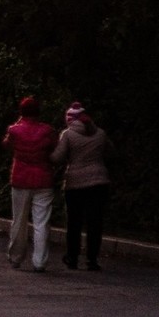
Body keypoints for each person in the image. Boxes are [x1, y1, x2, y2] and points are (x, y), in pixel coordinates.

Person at [52, 102, 111, 270]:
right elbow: (110, 151)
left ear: (69, 119)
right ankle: (92, 260)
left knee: (74, 222)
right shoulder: (100, 133)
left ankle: (72, 257)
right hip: (99, 182)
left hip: (75, 184)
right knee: (95, 222)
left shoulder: (68, 135)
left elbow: (57, 158)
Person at [3, 97, 57, 271]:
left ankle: (16, 256)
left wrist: (19, 122)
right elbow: (54, 149)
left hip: (20, 179)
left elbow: (6, 144)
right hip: (43, 179)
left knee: (19, 220)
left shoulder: (14, 130)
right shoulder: (47, 131)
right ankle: (39, 261)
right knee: (42, 222)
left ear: (21, 112)